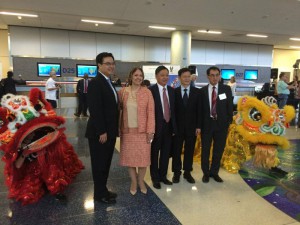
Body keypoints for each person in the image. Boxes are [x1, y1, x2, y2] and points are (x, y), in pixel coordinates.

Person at [85, 52, 118, 204]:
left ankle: (103, 189)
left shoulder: (108, 81)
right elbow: (95, 109)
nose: (111, 66)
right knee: (99, 164)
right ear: (99, 65)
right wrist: (102, 131)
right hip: (100, 133)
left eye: (112, 63)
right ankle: (99, 194)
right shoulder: (96, 83)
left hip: (109, 132)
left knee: (105, 163)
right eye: (107, 63)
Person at [118, 67, 155, 195]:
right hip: (127, 132)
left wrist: (151, 130)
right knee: (131, 160)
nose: (138, 77)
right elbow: (119, 112)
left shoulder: (147, 92)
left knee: (143, 161)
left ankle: (141, 181)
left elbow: (151, 112)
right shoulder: (122, 92)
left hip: (143, 132)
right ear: (131, 76)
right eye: (136, 75)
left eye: (140, 75)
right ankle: (134, 182)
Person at [199, 66, 233, 183]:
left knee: (218, 150)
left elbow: (229, 107)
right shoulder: (202, 91)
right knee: (205, 150)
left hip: (221, 125)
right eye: (212, 75)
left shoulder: (226, 89)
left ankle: (214, 172)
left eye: (217, 75)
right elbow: (200, 111)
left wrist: (228, 122)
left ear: (219, 76)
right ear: (208, 76)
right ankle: (206, 173)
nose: (214, 77)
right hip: (207, 125)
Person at [149, 65, 177, 189]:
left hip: (168, 128)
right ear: (156, 76)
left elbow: (173, 111)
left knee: (165, 153)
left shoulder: (172, 91)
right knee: (154, 154)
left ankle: (163, 176)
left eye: (167, 75)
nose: (165, 77)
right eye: (162, 75)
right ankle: (155, 178)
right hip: (155, 128)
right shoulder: (150, 91)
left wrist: (174, 128)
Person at [172, 68, 200, 184]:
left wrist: (198, 126)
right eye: (184, 77)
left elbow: (200, 111)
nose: (187, 79)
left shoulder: (197, 92)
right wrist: (173, 128)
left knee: (189, 151)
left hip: (191, 128)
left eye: (189, 76)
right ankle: (176, 173)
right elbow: (172, 112)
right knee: (176, 151)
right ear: (179, 78)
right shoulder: (174, 92)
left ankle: (187, 172)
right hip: (177, 129)